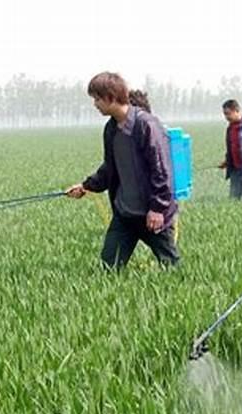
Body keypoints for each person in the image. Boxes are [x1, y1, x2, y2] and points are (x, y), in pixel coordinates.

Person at [66, 72, 180, 269]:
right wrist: (86, 186)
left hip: (151, 215)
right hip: (124, 214)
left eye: (97, 99)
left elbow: (161, 170)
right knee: (108, 270)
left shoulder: (147, 125)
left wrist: (158, 208)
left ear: (111, 97)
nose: (95, 104)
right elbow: (110, 167)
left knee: (171, 268)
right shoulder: (111, 128)